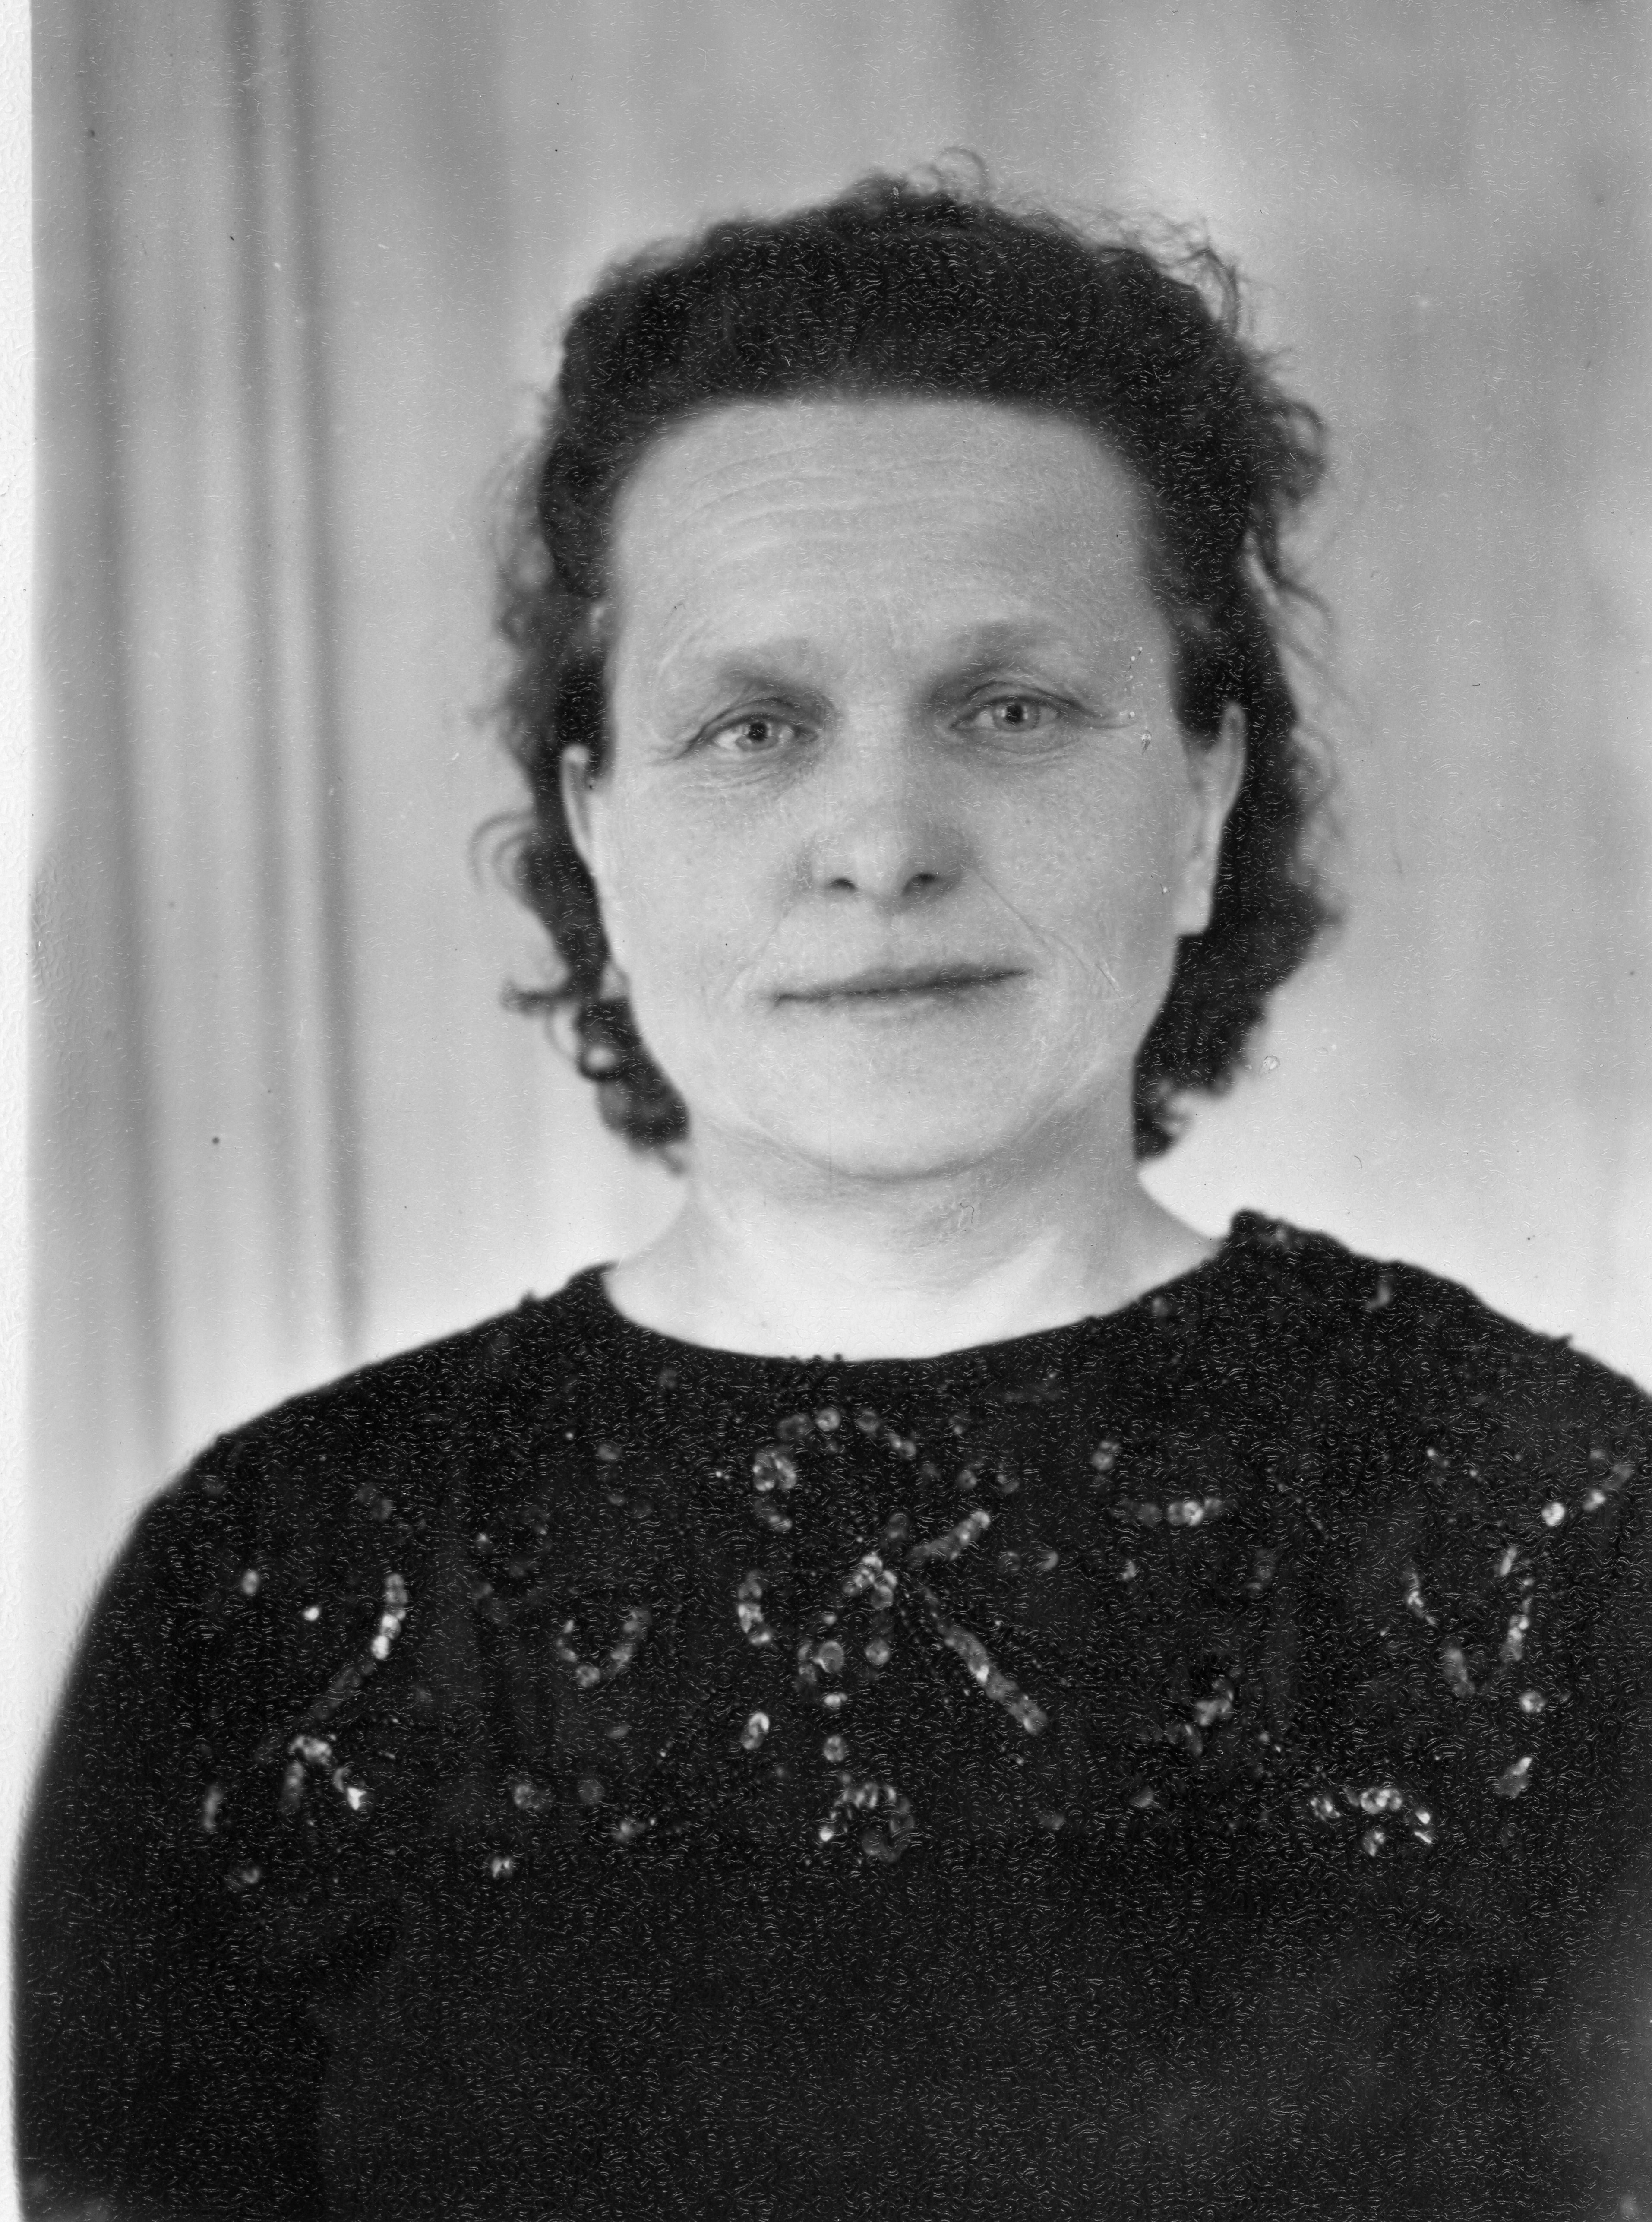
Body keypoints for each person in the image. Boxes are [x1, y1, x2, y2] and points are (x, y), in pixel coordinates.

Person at [16, 168, 1652, 2221]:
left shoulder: (1562, 1534)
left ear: (1203, 793)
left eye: (1011, 709)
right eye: (754, 725)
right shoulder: (265, 1586)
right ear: (598, 828)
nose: (882, 840)